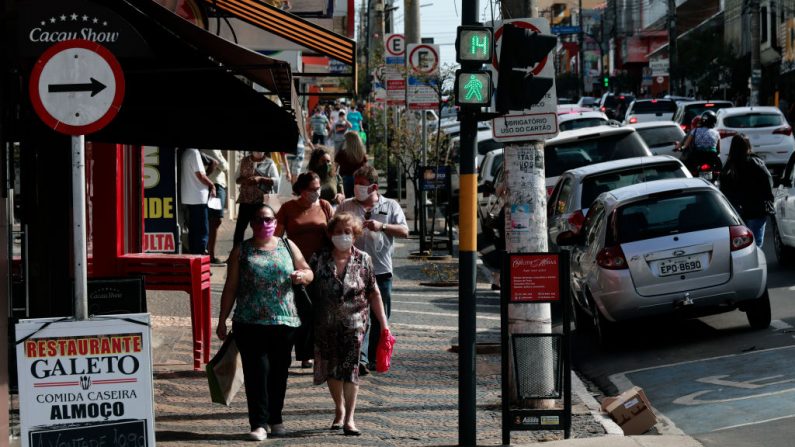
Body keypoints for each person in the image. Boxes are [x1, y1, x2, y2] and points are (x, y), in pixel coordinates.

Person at [216, 204, 313, 441]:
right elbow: (230, 287)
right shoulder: (242, 250)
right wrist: (221, 320)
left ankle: (276, 419)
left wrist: (303, 276)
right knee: (256, 372)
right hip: (249, 322)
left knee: (279, 373)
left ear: (275, 222)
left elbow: (309, 271)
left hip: (285, 321)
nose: (264, 224)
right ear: (251, 224)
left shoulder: (288, 246)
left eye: (268, 219)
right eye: (258, 220)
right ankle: (258, 423)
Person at [310, 212, 390, 436]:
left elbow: (374, 293)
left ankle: (350, 418)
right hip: (325, 324)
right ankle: (339, 408)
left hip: (355, 324)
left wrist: (384, 324)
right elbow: (307, 286)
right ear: (330, 234)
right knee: (332, 369)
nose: (342, 236)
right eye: (338, 232)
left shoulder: (363, 259)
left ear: (355, 235)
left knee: (352, 369)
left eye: (347, 232)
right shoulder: (319, 258)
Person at [337, 165, 408, 375]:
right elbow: (332, 228)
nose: (357, 188)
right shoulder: (346, 206)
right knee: (357, 315)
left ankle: (376, 357)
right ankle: (361, 358)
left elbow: (404, 230)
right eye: (355, 184)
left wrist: (383, 226)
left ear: (374, 187)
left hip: (381, 270)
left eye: (362, 185)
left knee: (380, 316)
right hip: (353, 269)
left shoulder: (390, 205)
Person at [275, 172, 333, 368]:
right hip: (296, 266)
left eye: (318, 188)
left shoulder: (324, 206)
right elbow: (276, 237)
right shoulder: (288, 208)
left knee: (320, 310)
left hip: (322, 266)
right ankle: (304, 353)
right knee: (301, 310)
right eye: (312, 189)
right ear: (301, 190)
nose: (317, 192)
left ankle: (318, 351)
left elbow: (335, 232)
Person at [719, 134, 775, 247]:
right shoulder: (755, 162)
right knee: (757, 243)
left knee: (743, 246)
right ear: (748, 145)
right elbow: (767, 181)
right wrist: (769, 198)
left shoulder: (728, 167)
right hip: (757, 209)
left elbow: (724, 191)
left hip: (737, 213)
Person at [234, 152, 279, 247]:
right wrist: (245, 180)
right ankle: (236, 253)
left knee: (260, 227)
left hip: (261, 202)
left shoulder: (269, 162)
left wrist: (261, 179)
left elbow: (276, 181)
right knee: (240, 229)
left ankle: (260, 250)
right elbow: (237, 179)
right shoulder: (244, 161)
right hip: (245, 201)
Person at [180, 148, 216, 254]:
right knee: (202, 231)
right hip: (198, 197)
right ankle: (200, 257)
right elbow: (200, 175)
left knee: (194, 231)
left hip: (190, 197)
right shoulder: (194, 153)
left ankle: (194, 256)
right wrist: (212, 185)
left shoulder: (186, 152)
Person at [201, 149, 228, 264]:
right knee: (215, 220)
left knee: (213, 220)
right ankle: (210, 255)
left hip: (216, 184)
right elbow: (224, 166)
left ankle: (209, 253)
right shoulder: (212, 149)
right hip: (215, 185)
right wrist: (224, 163)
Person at [334, 132, 367, 198]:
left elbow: (335, 166)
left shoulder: (342, 153)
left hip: (345, 179)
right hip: (358, 179)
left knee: (346, 200)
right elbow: (365, 168)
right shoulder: (362, 154)